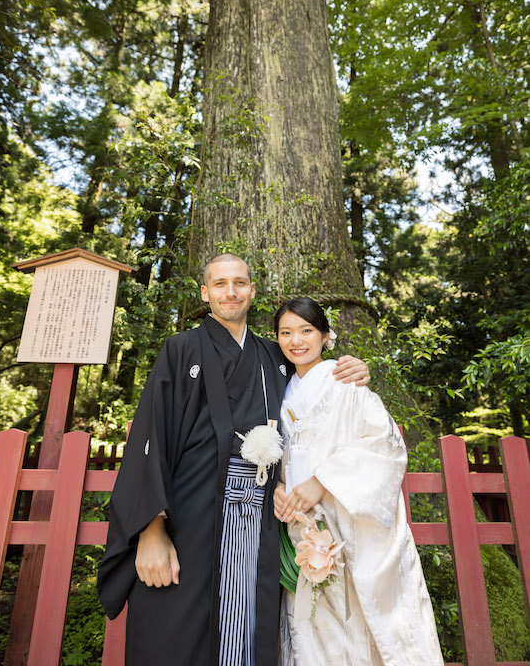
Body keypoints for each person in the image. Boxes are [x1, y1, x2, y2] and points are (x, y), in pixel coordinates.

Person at [97, 255, 370, 666]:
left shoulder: (273, 357)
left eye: (239, 283)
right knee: (174, 628)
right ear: (205, 292)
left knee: (246, 630)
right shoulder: (179, 349)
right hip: (187, 517)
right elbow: (149, 440)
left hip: (256, 519)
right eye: (220, 284)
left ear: (252, 291)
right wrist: (151, 529)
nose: (231, 292)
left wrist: (353, 370)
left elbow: (314, 407)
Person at [273, 297, 444, 666]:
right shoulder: (278, 391)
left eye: (306, 330)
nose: (296, 341)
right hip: (299, 524)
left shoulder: (345, 382)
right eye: (286, 332)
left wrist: (322, 482)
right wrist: (278, 486)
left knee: (359, 618)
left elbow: (384, 445)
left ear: (325, 336)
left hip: (348, 520)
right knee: (311, 624)